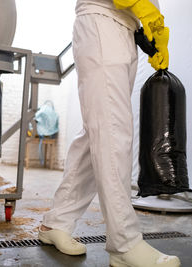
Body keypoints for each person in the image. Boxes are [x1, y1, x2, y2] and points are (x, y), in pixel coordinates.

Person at [38, 0, 179, 266]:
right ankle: (125, 244)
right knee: (113, 131)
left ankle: (56, 222)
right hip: (103, 21)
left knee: (97, 133)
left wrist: (146, 22)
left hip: (123, 27)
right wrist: (144, 9)